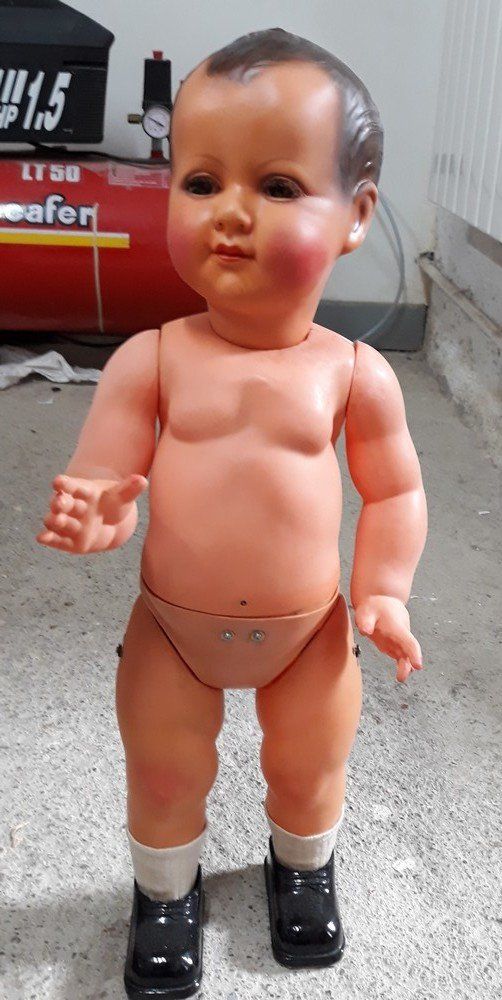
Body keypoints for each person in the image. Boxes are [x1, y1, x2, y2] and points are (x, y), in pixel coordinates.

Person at [37, 27, 427, 1000]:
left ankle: (303, 867)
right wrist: (100, 516)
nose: (230, 213)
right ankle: (165, 893)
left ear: (354, 215)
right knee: (163, 769)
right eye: (201, 181)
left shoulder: (353, 372)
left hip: (310, 630)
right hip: (172, 628)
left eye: (279, 186)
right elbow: (106, 474)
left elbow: (394, 490)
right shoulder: (152, 357)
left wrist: (382, 590)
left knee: (309, 764)